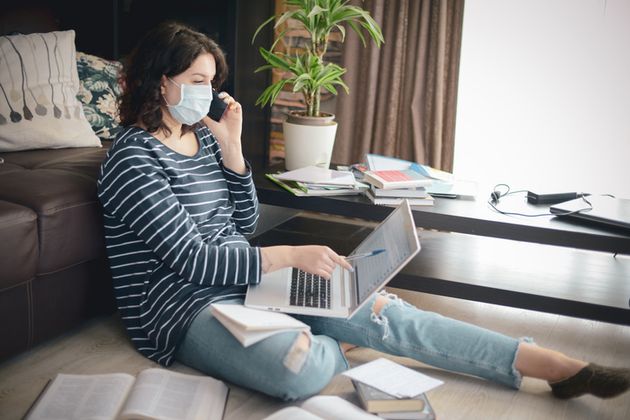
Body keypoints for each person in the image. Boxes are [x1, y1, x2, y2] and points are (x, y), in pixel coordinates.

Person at [97, 21, 630, 402]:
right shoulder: (130, 158)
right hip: (182, 310)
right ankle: (329, 333)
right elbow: (194, 262)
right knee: (299, 368)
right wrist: (288, 257)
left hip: (248, 285)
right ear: (158, 80)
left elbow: (241, 227)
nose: (208, 94)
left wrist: (235, 155)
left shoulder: (208, 141)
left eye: (212, 81)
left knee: (383, 311)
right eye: (196, 82)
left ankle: (553, 367)